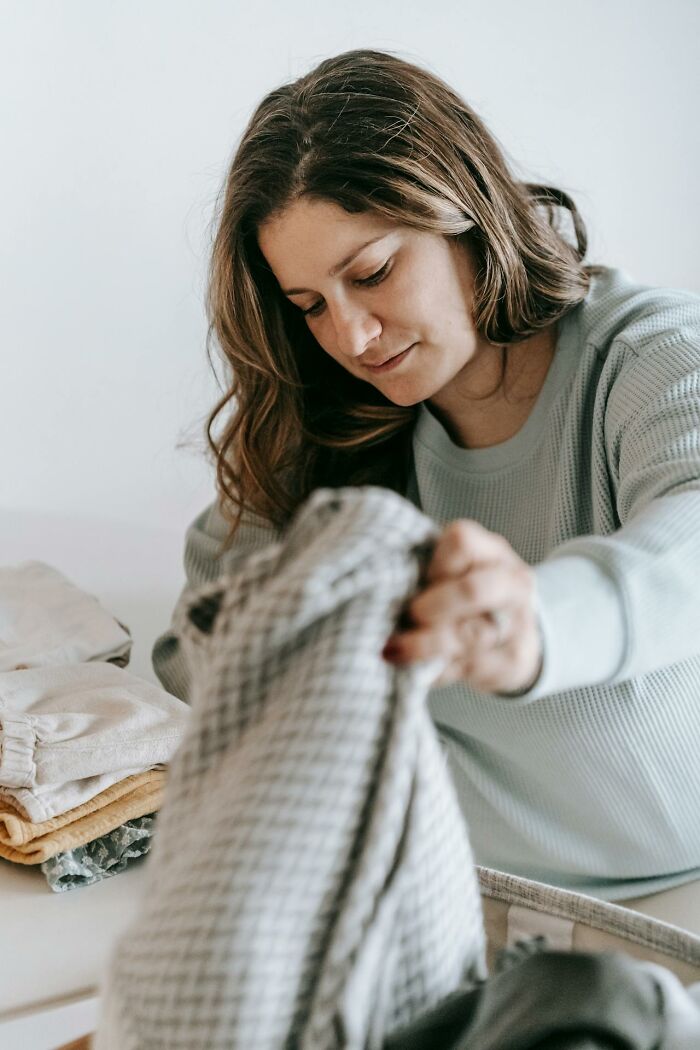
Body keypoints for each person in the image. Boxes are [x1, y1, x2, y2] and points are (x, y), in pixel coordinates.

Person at [153, 48, 700, 921]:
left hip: (661, 904)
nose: (354, 335)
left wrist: (534, 619)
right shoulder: (333, 415)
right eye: (310, 305)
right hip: (419, 906)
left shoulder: (647, 353)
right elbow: (196, 642)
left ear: (465, 214)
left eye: (371, 273)